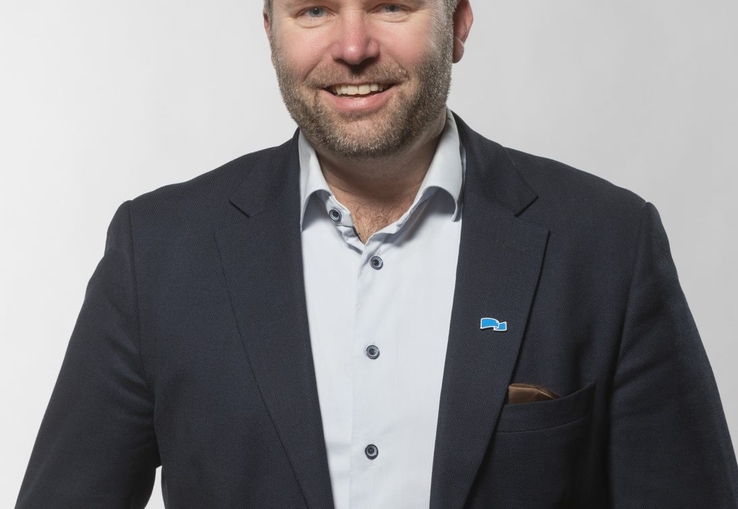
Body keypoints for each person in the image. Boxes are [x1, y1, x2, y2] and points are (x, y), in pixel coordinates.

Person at [15, 0, 738, 507]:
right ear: (270, 31)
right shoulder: (156, 252)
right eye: (314, 10)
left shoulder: (608, 244)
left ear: (458, 23)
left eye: (392, 5)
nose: (353, 46)